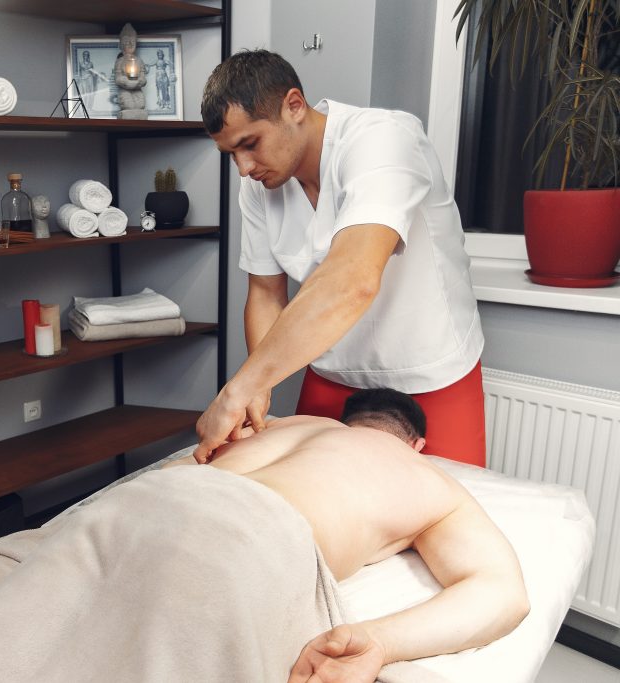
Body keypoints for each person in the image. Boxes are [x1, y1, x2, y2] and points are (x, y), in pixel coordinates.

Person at [195, 49, 486, 467]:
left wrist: (236, 390)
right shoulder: (259, 183)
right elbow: (264, 293)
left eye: (250, 144)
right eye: (231, 154)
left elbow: (352, 281)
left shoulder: (384, 140)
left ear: (294, 105)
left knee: (440, 512)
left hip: (429, 371)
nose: (242, 168)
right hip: (331, 374)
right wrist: (260, 384)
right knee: (311, 507)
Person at [166, 388, 529, 681]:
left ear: (345, 422)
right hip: (240, 551)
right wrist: (378, 641)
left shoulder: (279, 426)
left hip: (151, 501)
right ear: (418, 445)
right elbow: (505, 595)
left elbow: (187, 463)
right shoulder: (427, 476)